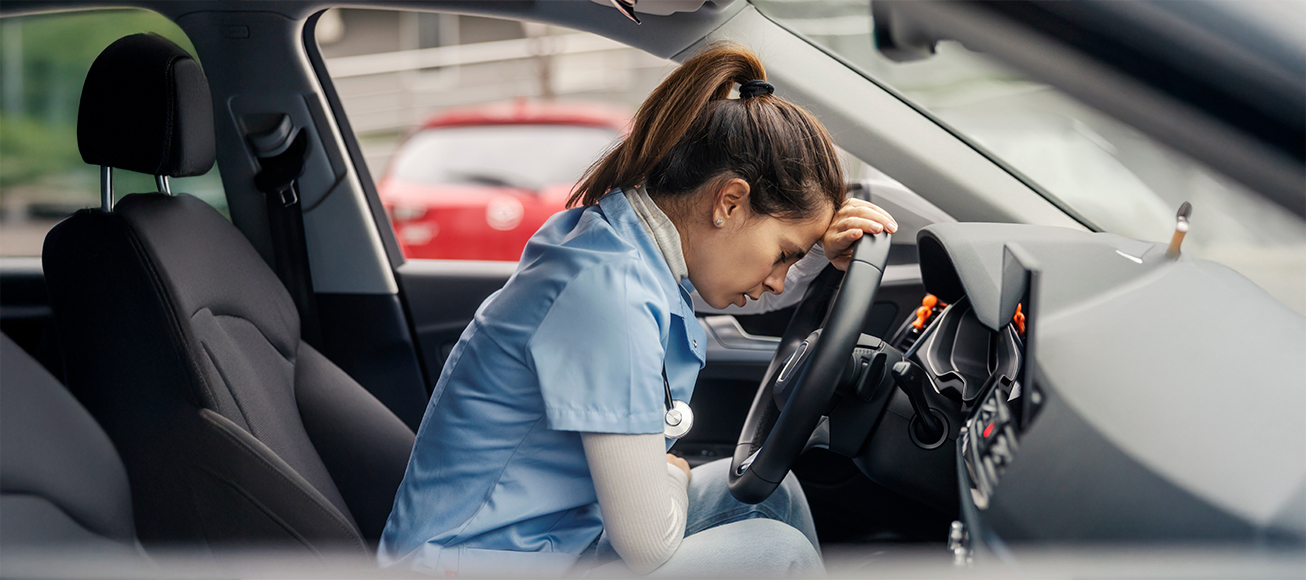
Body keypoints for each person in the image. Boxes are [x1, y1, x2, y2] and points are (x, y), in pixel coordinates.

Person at [378, 42, 898, 578]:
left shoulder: (623, 248)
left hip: (556, 541)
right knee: (775, 552)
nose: (777, 278)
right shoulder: (607, 296)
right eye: (785, 253)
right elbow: (649, 545)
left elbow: (739, 288)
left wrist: (816, 256)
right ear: (729, 202)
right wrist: (669, 474)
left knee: (775, 496)